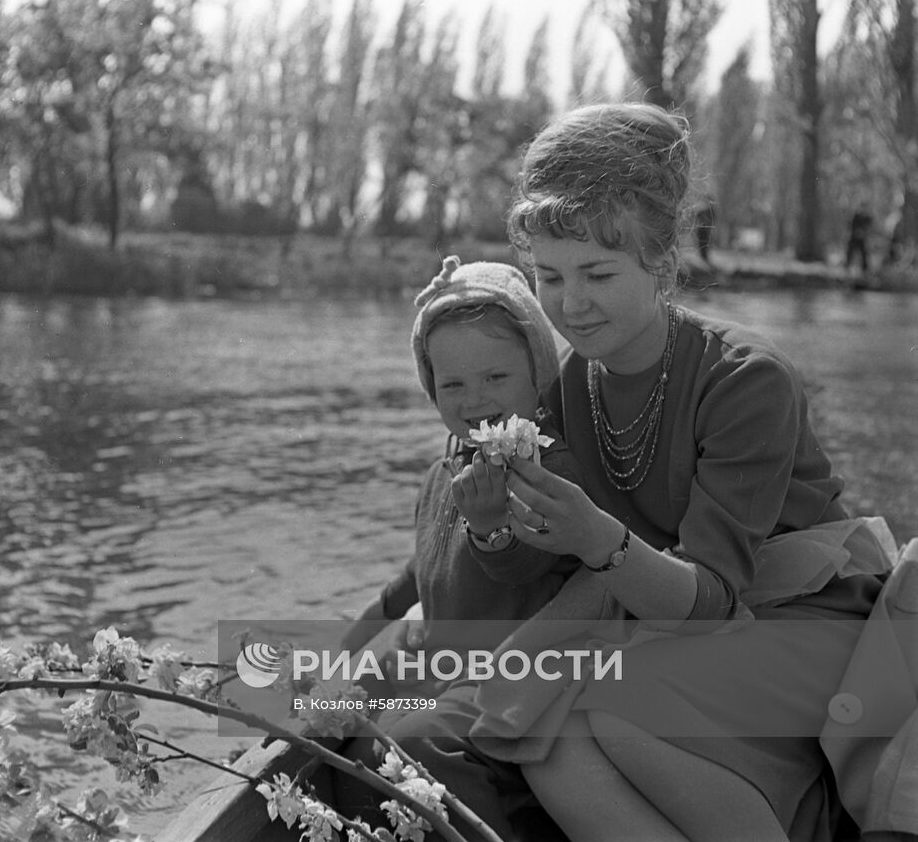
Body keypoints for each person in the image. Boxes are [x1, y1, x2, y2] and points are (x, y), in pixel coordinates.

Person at [387, 103, 898, 842]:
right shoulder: (562, 385)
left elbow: (718, 595)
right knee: (531, 730)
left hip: (793, 616)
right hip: (640, 617)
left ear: (660, 261)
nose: (572, 304)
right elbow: (531, 559)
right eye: (550, 279)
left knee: (607, 706)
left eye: (598, 272)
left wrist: (594, 542)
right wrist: (495, 530)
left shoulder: (746, 378)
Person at [334, 257, 583, 837]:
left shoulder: (549, 471)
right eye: (452, 384)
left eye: (496, 379)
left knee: (412, 740)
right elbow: (404, 589)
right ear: (432, 389)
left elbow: (525, 562)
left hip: (528, 695)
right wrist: (328, 664)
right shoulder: (442, 474)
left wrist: (492, 523)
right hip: (453, 681)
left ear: (537, 373)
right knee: (343, 717)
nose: (475, 401)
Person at [845, 204, 873, 274]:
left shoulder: (867, 218)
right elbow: (851, 226)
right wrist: (856, 232)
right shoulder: (856, 217)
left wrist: (863, 233)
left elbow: (869, 228)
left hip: (862, 238)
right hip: (854, 237)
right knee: (850, 251)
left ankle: (865, 268)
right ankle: (847, 265)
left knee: (864, 252)